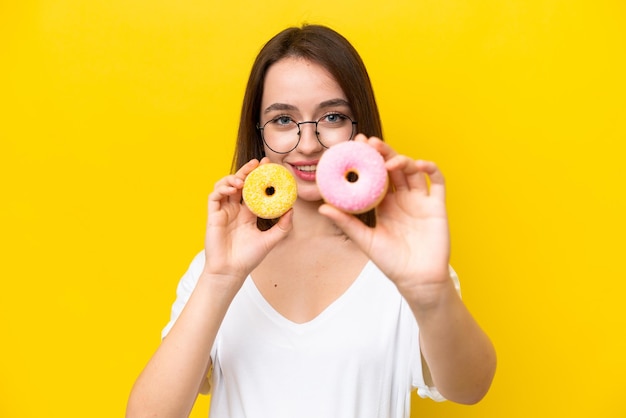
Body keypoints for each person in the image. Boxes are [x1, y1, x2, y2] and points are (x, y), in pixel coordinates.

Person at [126, 24, 496, 418]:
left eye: (333, 116)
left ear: (360, 126)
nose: (307, 144)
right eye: (283, 120)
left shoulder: (405, 265)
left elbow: (470, 388)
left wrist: (432, 293)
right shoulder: (215, 269)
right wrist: (219, 279)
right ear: (259, 132)